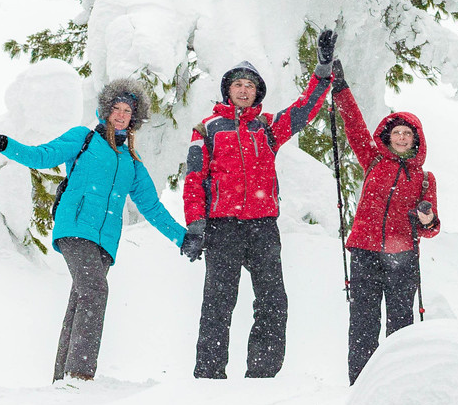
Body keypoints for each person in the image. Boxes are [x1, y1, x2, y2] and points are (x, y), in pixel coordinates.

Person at [0, 80, 188, 382]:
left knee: (81, 299)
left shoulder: (132, 163)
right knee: (95, 291)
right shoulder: (83, 138)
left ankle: (63, 378)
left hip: (104, 242)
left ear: (134, 119)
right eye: (116, 108)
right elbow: (42, 156)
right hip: (76, 228)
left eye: (127, 111)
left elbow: (152, 207)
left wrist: (182, 238)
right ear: (105, 110)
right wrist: (8, 146)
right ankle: (80, 374)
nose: (121, 115)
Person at [180, 42, 339, 379]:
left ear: (257, 93)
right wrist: (195, 225)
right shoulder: (206, 128)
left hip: (263, 227)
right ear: (227, 90)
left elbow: (303, 110)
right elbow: (194, 180)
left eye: (250, 86)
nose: (243, 90)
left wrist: (322, 72)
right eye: (238, 84)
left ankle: (262, 375)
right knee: (218, 303)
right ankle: (209, 376)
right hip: (223, 227)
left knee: (273, 301)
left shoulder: (267, 126)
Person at [333, 79, 440, 384]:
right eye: (397, 133)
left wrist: (427, 218)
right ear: (387, 136)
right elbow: (354, 126)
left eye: (408, 133)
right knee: (363, 322)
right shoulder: (373, 160)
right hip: (365, 253)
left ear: (416, 139)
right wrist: (340, 89)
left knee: (400, 324)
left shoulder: (424, 178)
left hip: (403, 258)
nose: (402, 138)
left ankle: (397, 383)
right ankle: (360, 384)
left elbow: (431, 228)